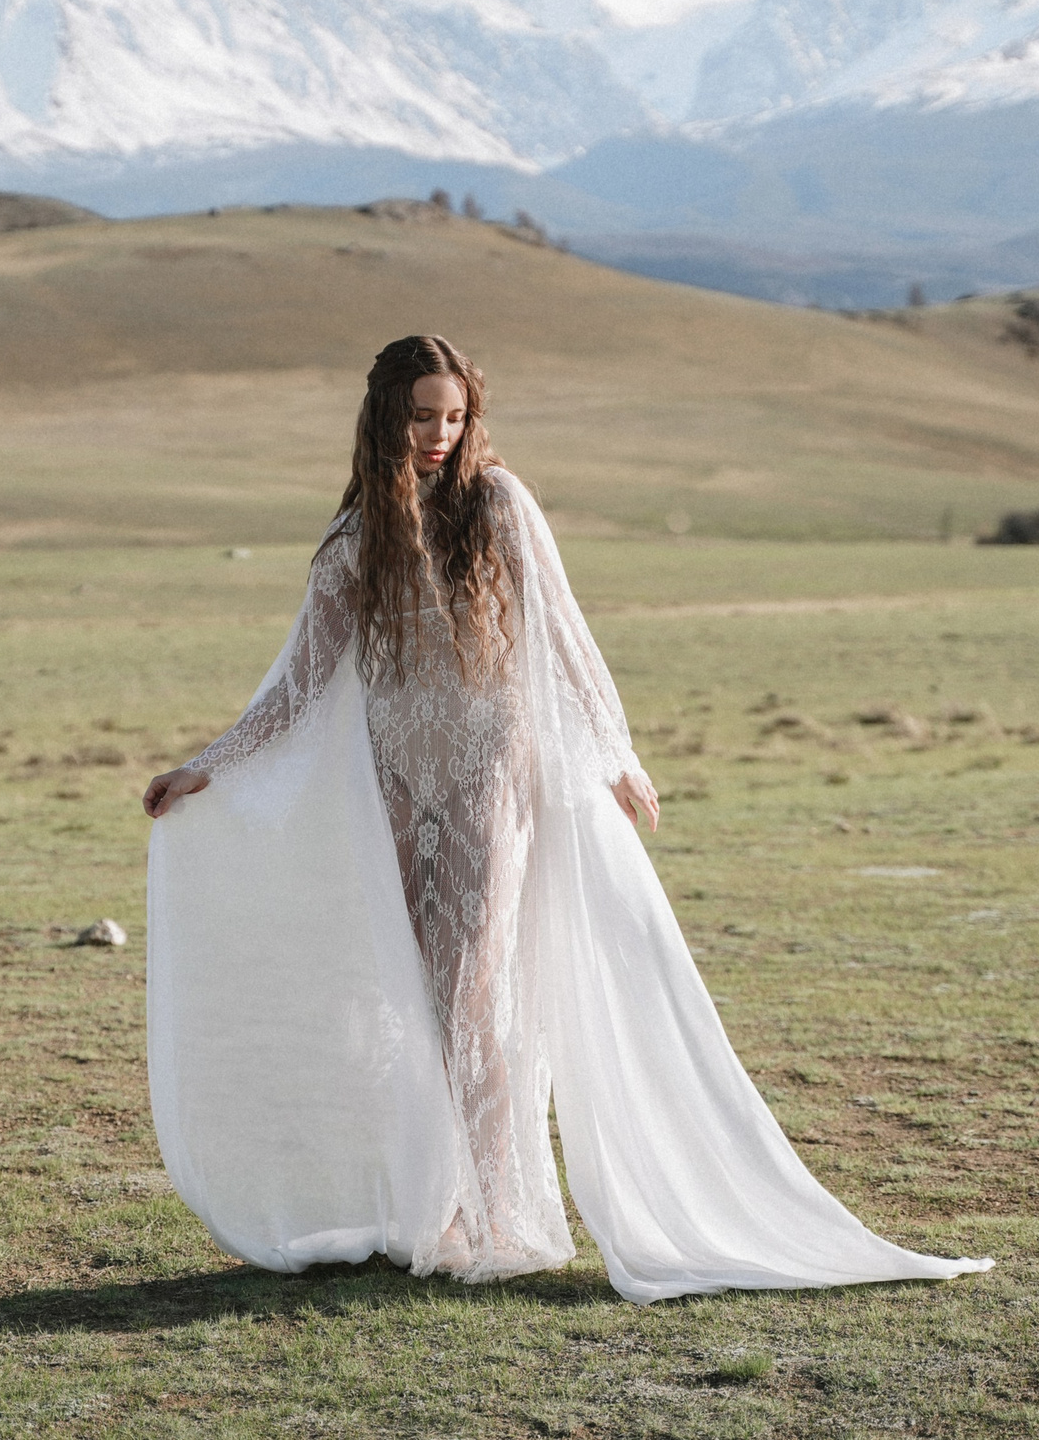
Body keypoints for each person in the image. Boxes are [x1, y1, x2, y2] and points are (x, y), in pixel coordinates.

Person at [141, 334, 987, 1304]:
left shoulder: (497, 505)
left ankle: (501, 1213)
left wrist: (614, 756)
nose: (438, 434)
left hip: (487, 778)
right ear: (383, 415)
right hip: (393, 786)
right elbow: (296, 686)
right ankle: (437, 1209)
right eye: (421, 415)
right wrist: (205, 768)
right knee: (407, 1001)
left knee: (470, 996)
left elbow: (566, 640)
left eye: (453, 416)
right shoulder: (352, 539)